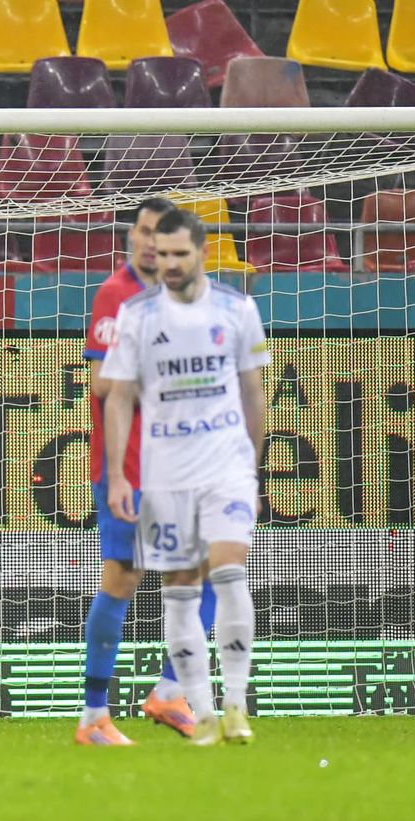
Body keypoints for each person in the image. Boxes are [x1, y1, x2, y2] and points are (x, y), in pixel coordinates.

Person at [101, 209, 269, 746]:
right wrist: (117, 476)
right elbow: (118, 396)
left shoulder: (238, 310)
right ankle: (200, 711)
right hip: (166, 471)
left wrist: (252, 470)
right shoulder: (136, 315)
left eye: (180, 254)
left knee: (229, 570)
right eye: (163, 254)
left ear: (202, 252)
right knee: (179, 589)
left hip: (225, 464)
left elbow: (253, 393)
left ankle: (236, 703)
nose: (169, 263)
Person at [76, 198, 218, 747]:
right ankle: (94, 716)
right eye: (140, 230)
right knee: (123, 579)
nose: (146, 241)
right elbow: (100, 384)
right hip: (128, 465)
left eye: (156, 233)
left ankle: (169, 691)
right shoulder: (117, 294)